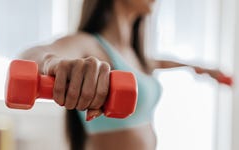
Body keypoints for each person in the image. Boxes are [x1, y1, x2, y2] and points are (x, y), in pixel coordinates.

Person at [19, 0, 229, 150]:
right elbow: (31, 57)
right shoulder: (89, 44)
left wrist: (199, 68)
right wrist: (50, 63)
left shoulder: (134, 54)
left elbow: (160, 62)